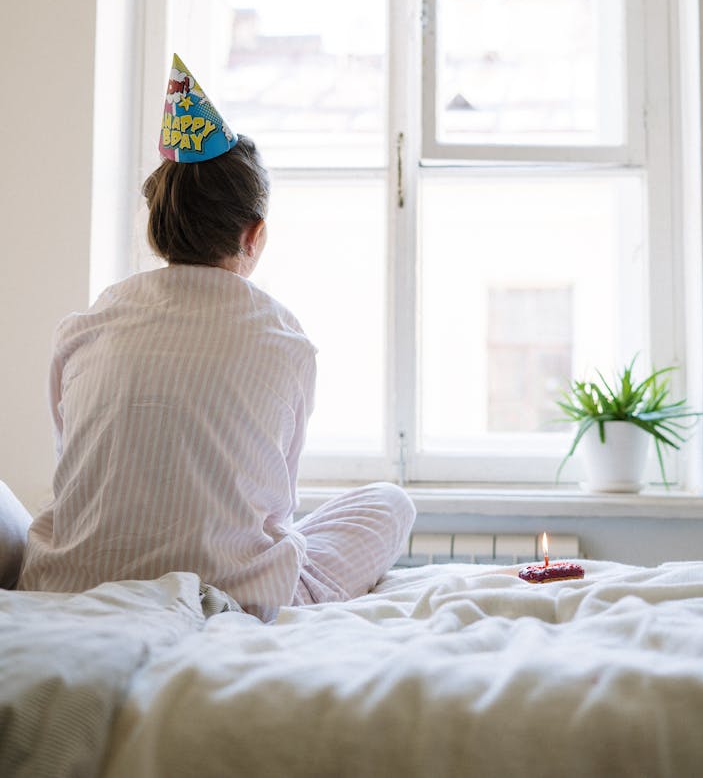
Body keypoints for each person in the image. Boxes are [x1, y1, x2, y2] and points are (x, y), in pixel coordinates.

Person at [18, 55, 415, 619]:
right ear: (254, 234)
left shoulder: (85, 326)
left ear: (159, 226)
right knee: (389, 504)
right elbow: (278, 508)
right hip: (230, 594)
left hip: (70, 582)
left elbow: (74, 469)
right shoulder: (285, 338)